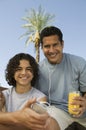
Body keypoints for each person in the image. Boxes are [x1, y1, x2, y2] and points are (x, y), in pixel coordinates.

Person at [35, 26, 86, 130]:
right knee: (46, 122)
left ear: (62, 44)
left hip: (81, 112)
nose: (51, 50)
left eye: (55, 45)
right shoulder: (37, 70)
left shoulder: (79, 63)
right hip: (57, 111)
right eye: (47, 46)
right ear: (42, 47)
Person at [0, 53, 59, 130]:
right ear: (13, 73)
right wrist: (18, 117)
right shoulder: (4, 95)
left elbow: (37, 125)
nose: (24, 72)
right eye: (19, 69)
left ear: (33, 73)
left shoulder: (40, 97)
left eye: (28, 69)